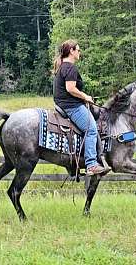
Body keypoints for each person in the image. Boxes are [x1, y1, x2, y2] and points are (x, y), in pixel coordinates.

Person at [52, 39, 107, 176]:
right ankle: (91, 165)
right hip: (71, 106)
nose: (79, 52)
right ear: (71, 51)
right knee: (92, 129)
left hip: (64, 104)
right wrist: (85, 97)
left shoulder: (62, 66)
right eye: (78, 49)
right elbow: (70, 88)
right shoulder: (70, 67)